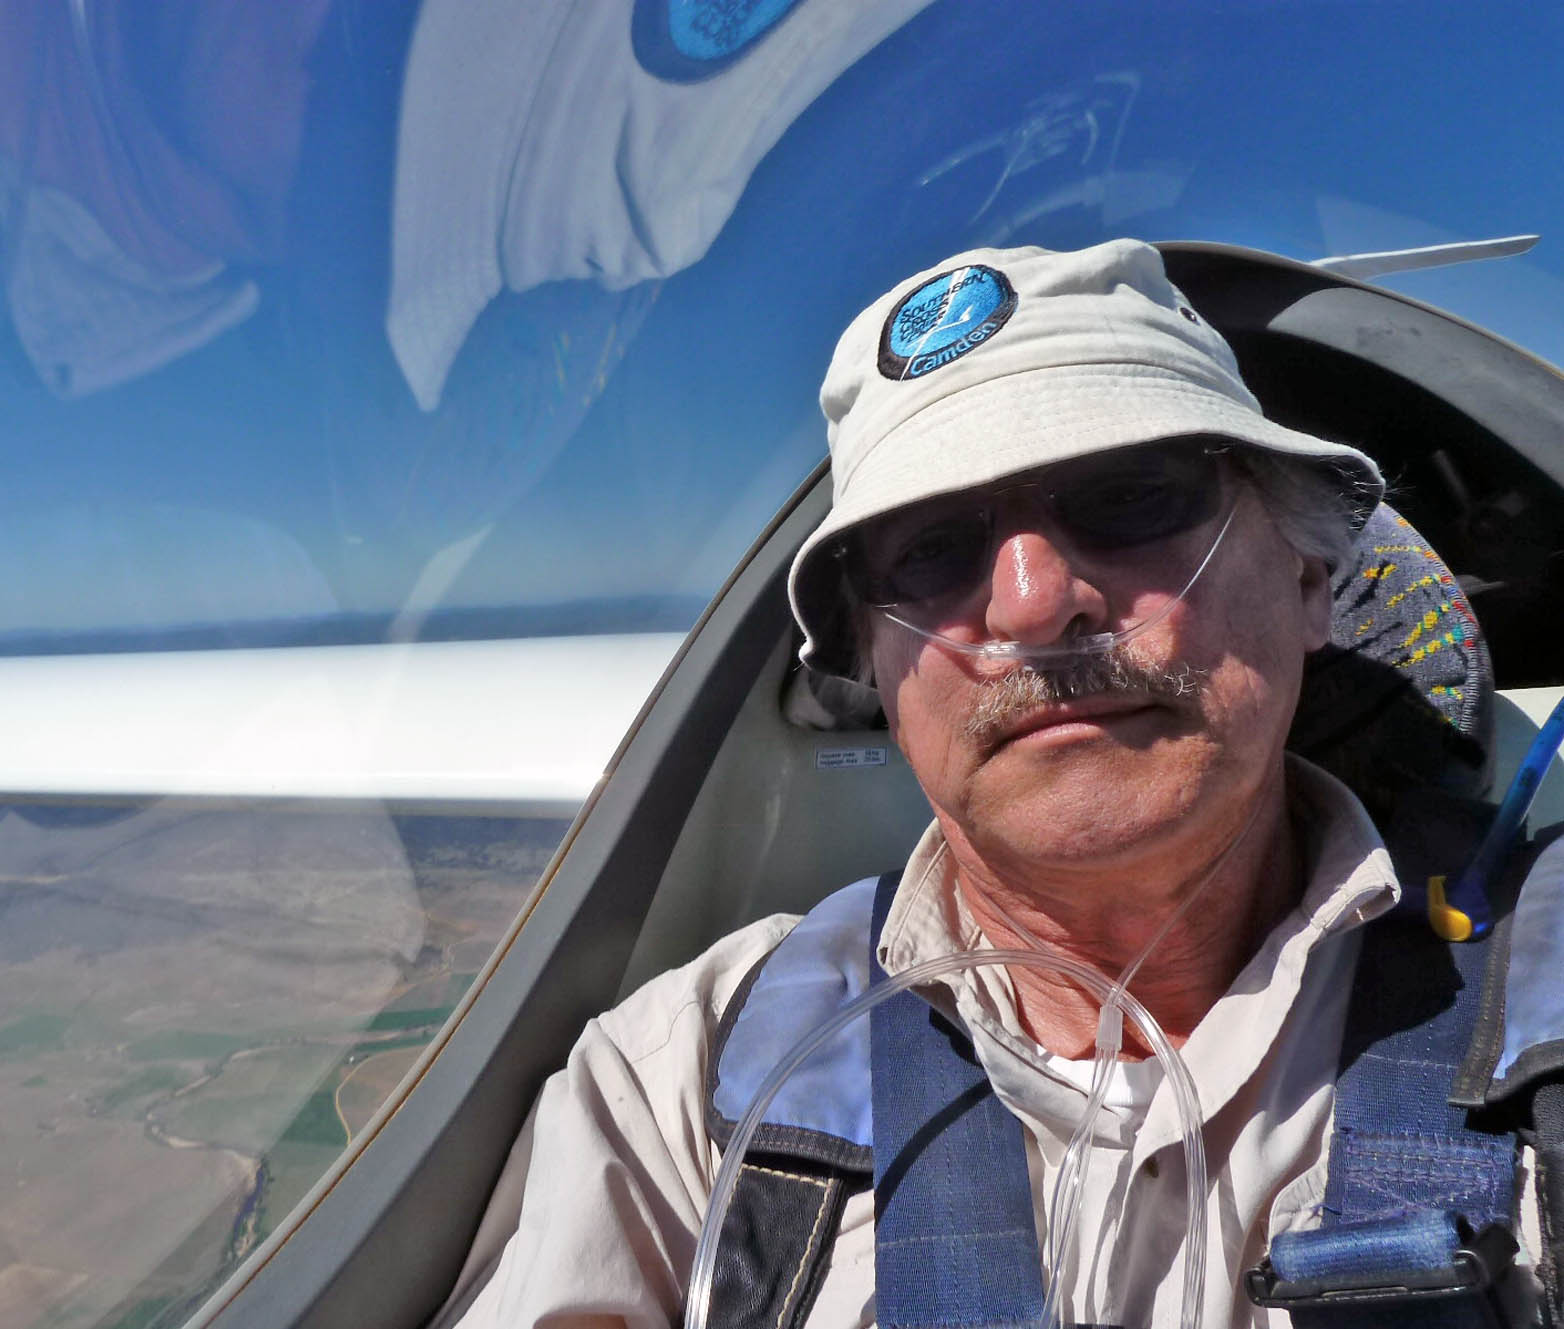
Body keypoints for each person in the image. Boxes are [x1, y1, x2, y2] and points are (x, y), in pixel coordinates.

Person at [432, 240, 1547, 1327]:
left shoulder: (1538, 1015)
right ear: (878, 669)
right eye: (929, 551)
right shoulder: (689, 1080)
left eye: (1129, 496)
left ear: (1308, 582)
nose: (1031, 602)